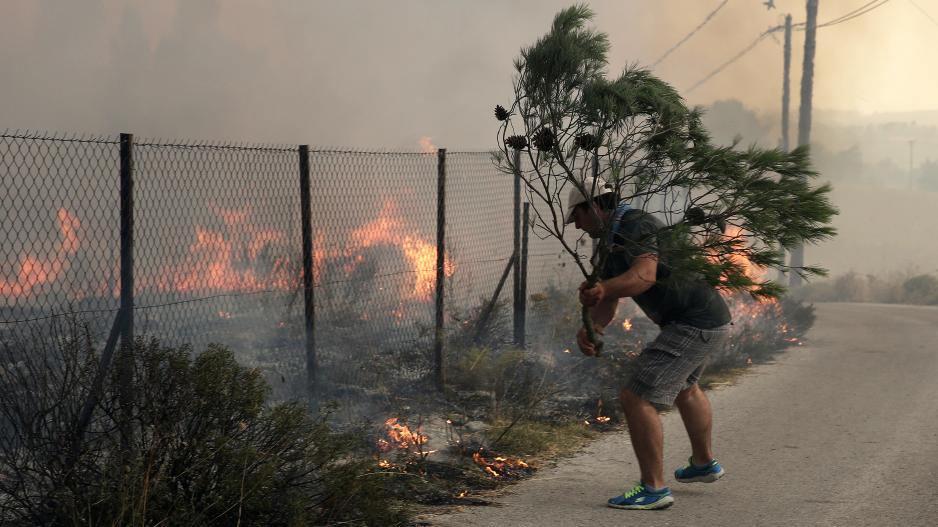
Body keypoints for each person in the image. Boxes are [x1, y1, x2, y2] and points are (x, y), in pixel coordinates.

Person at [567, 177, 732, 511]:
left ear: (594, 206)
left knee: (636, 395)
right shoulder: (610, 241)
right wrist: (595, 325)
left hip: (693, 322)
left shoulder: (635, 225)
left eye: (578, 218)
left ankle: (653, 489)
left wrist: (603, 288)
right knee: (686, 387)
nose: (578, 227)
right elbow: (610, 295)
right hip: (704, 320)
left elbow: (644, 275)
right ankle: (703, 465)